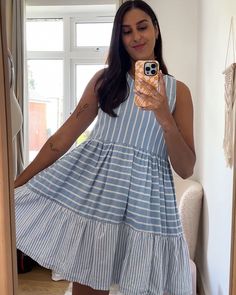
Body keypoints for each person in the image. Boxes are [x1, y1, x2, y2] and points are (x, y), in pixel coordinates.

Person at [14, 1, 196, 294]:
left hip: (147, 208)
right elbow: (60, 140)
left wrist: (164, 117)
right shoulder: (105, 82)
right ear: (119, 39)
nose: (136, 37)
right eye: (126, 32)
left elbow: (186, 168)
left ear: (156, 30)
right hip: (99, 203)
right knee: (88, 289)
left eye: (142, 27)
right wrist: (16, 186)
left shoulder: (179, 93)